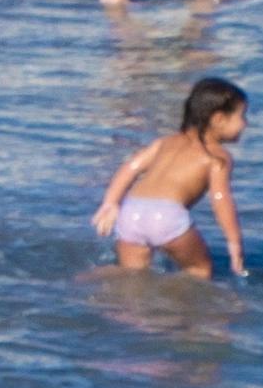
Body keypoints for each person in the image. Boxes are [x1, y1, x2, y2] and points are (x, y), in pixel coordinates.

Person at [93, 75, 254, 283]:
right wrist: (234, 242)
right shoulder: (217, 157)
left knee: (131, 277)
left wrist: (111, 203)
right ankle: (179, 303)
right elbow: (221, 199)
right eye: (242, 116)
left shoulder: (164, 142)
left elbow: (130, 168)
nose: (245, 124)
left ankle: (93, 282)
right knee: (199, 269)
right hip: (166, 216)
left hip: (131, 211)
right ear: (219, 119)